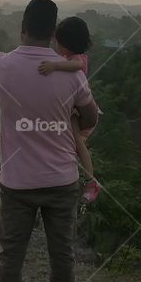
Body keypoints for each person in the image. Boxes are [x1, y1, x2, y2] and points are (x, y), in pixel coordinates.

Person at [0, 0, 100, 282]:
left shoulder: (2, 65)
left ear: (23, 28)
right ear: (53, 31)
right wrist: (72, 125)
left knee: (10, 259)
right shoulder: (71, 72)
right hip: (61, 181)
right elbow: (90, 117)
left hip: (16, 183)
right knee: (63, 259)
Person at [37, 16, 102, 205]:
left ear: (66, 43)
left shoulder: (77, 59)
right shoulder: (69, 58)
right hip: (73, 109)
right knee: (72, 146)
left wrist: (54, 66)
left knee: (77, 145)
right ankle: (84, 179)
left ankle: (92, 182)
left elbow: (77, 66)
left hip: (78, 112)